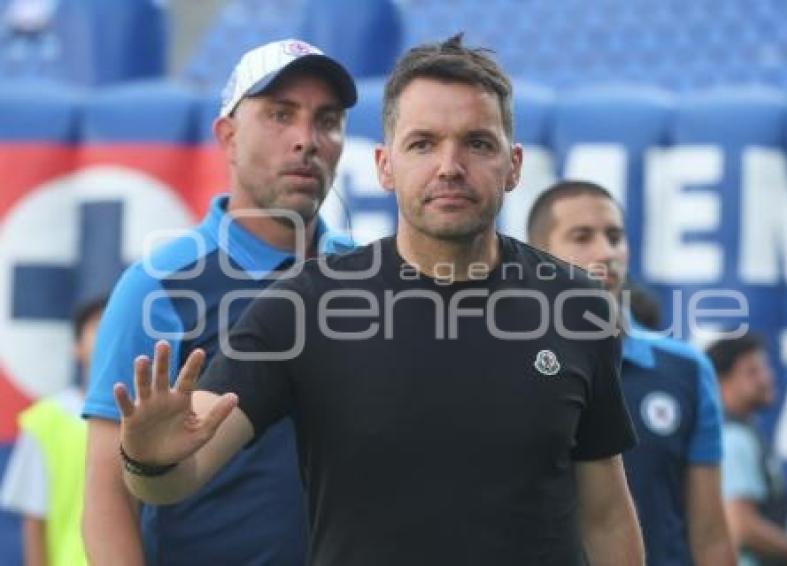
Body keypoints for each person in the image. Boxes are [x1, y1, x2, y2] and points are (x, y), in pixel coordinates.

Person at [111, 35, 644, 566]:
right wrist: (147, 462)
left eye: (478, 143)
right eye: (423, 143)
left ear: (514, 165)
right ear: (385, 166)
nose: (450, 166)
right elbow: (177, 475)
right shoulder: (306, 306)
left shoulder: (577, 305)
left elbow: (606, 516)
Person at [81, 39, 358, 565]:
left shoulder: (370, 278)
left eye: (327, 120)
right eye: (281, 114)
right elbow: (107, 494)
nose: (307, 140)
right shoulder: (157, 286)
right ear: (227, 137)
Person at [527, 180, 736, 566]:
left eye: (615, 236)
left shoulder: (685, 369)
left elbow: (709, 535)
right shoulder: (511, 360)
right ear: (540, 254)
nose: (605, 252)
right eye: (581, 236)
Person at [707, 334, 787, 566]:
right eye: (752, 372)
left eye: (764, 368)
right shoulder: (734, 439)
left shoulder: (744, 433)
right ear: (720, 382)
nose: (766, 378)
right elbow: (743, 527)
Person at [1, 297, 106, 566]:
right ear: (76, 347)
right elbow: (35, 521)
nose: (108, 334)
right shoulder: (46, 421)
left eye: (115, 325)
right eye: (98, 326)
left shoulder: (150, 417)